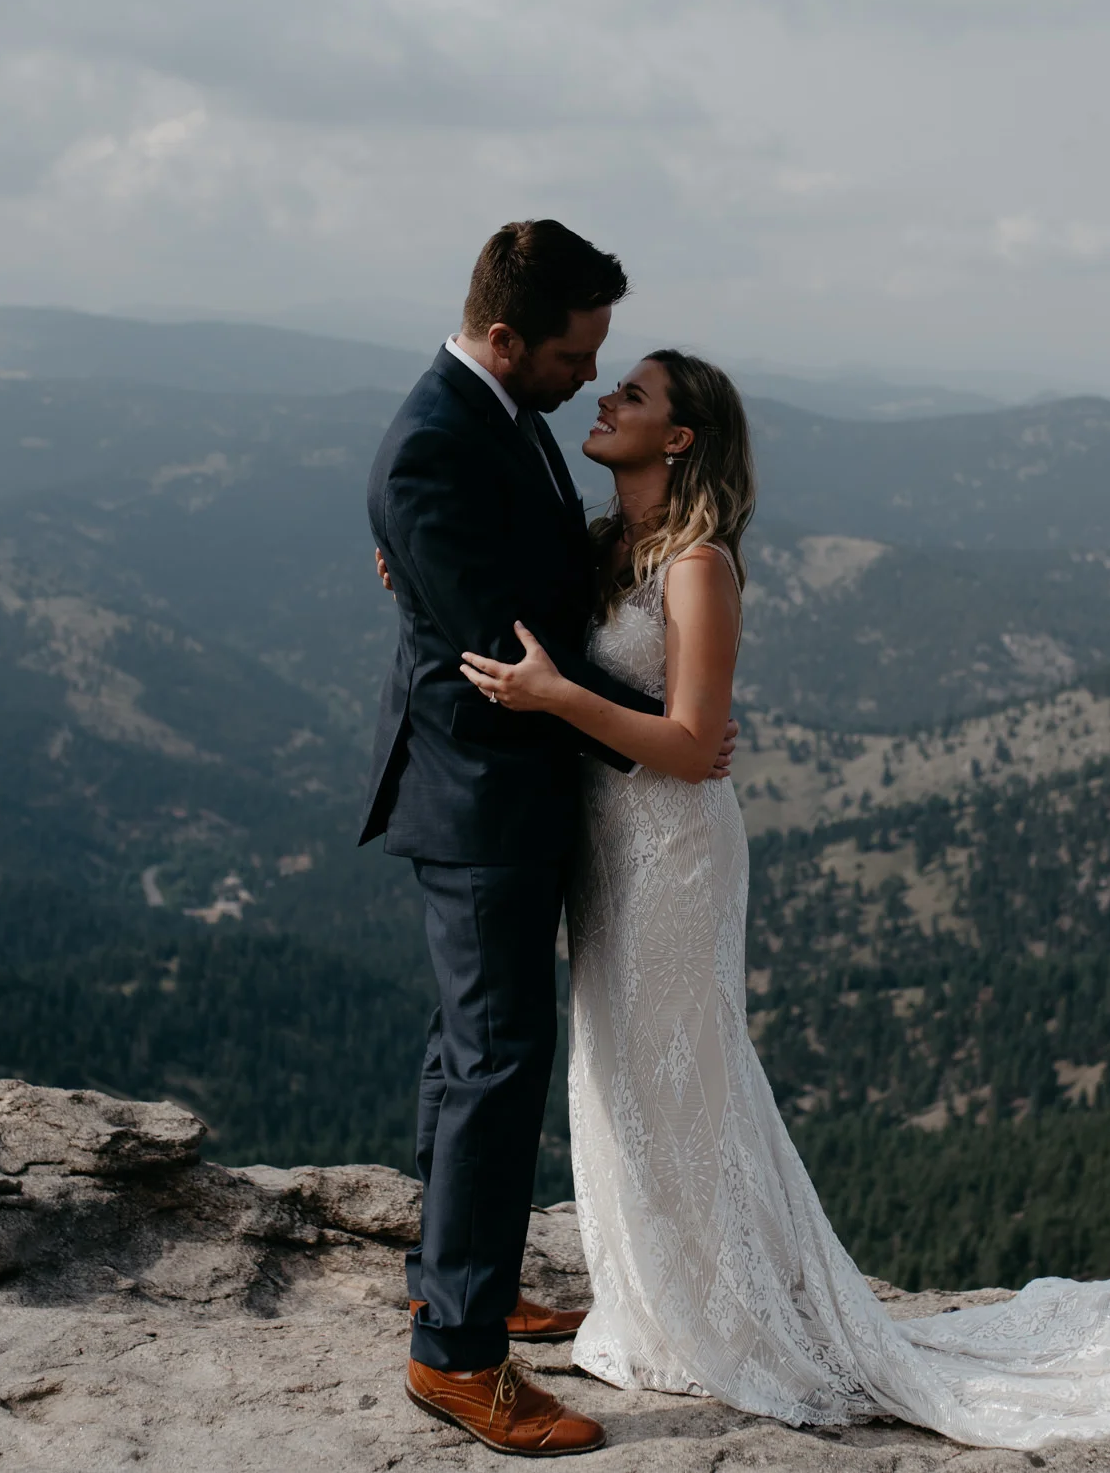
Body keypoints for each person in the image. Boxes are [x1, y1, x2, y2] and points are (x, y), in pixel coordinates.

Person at [458, 349, 1110, 1452]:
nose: (603, 397)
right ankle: (659, 1302)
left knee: (678, 1073)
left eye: (634, 396)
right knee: (615, 1070)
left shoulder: (697, 565)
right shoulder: (608, 544)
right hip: (606, 848)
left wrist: (558, 698)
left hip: (670, 856)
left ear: (679, 439)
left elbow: (696, 742)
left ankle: (728, 1317)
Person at [360, 220, 733, 1457]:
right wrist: (654, 728)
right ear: (509, 337)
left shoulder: (497, 414)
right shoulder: (432, 443)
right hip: (480, 795)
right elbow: (497, 647)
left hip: (514, 792)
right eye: (578, 356)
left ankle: (449, 1278)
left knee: (468, 1046)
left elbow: (516, 582)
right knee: (497, 1061)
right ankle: (456, 1360)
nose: (589, 378)